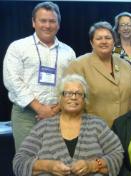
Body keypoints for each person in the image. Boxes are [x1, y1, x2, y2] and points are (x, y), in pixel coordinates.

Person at [13, 74, 124, 176]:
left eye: (79, 94)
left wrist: (92, 166)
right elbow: (19, 161)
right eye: (68, 93)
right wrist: (48, 166)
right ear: (60, 99)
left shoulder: (97, 125)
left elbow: (117, 154)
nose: (73, 97)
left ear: (84, 100)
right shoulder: (43, 127)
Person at [3, 1, 76, 151]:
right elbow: (12, 80)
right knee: (28, 163)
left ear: (58, 24)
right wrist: (39, 108)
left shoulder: (68, 52)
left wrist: (55, 110)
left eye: (52, 21)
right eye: (43, 21)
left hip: (58, 114)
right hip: (26, 115)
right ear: (33, 22)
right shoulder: (18, 47)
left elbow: (72, 84)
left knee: (57, 161)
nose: (47, 25)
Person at [65, 21, 131, 127]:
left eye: (108, 38)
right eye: (99, 38)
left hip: (124, 130)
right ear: (91, 42)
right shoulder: (78, 65)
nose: (104, 41)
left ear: (114, 41)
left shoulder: (126, 66)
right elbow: (68, 101)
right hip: (91, 131)